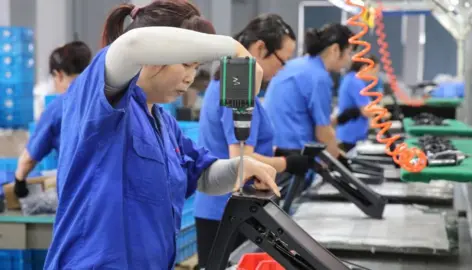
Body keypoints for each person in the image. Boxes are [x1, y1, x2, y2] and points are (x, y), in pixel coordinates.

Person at [42, 1, 280, 269]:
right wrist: (233, 48)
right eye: (187, 64)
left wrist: (240, 167)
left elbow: (201, 175)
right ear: (155, 58)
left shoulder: (163, 123)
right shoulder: (99, 102)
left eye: (196, 68)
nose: (190, 77)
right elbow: (132, 46)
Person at [193, 14, 308, 269]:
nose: (282, 69)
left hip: (221, 207)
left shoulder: (224, 84)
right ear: (259, 48)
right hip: (228, 210)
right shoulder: (237, 90)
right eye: (282, 60)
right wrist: (286, 163)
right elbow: (241, 160)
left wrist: (277, 152)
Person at [263, 24, 355, 159]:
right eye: (349, 52)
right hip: (293, 159)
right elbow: (323, 133)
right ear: (335, 49)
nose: (350, 59)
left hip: (273, 151)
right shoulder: (319, 77)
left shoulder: (299, 65)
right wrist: (340, 160)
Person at [13, 41, 92, 198]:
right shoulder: (108, 99)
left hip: (78, 198)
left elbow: (28, 159)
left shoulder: (59, 107)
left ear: (59, 74)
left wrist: (19, 181)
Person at [335, 54, 388, 152]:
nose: (375, 76)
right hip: (350, 136)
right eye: (374, 71)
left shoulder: (351, 78)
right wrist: (383, 112)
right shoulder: (356, 83)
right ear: (365, 68)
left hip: (349, 134)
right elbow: (366, 111)